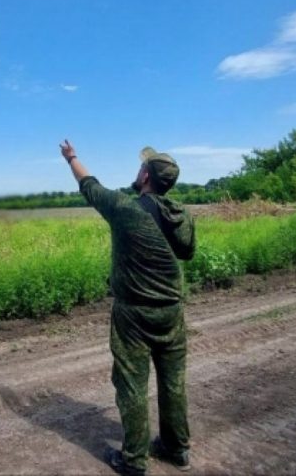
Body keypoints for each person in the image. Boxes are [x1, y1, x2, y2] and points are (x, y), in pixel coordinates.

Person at [59, 140, 196, 476]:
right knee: (173, 381)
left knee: (132, 383)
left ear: (145, 175)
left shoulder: (125, 208)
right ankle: (177, 450)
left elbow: (89, 186)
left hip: (134, 314)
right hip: (171, 311)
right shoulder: (179, 214)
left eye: (141, 168)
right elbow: (187, 252)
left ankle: (134, 460)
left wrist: (72, 157)